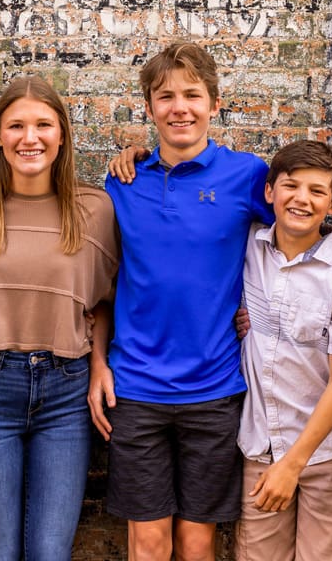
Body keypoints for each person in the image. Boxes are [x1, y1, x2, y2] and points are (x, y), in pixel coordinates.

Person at [92, 41, 274, 561]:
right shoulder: (122, 182)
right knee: (148, 541)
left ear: (215, 105)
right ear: (148, 108)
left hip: (215, 390)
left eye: (193, 95)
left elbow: (297, 250)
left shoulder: (248, 176)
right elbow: (104, 285)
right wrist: (98, 364)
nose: (180, 107)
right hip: (138, 390)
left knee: (196, 543)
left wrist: (259, 315)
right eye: (165, 96)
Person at [0, 76, 119, 561]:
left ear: (62, 134)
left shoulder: (95, 209)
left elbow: (103, 299)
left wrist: (100, 364)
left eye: (43, 125)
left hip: (66, 389)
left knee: (49, 552)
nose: (30, 137)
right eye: (16, 126)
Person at [235, 140, 332, 561]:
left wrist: (293, 465)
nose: (302, 199)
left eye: (317, 191)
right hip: (261, 449)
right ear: (270, 191)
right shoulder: (249, 250)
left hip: (324, 457)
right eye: (292, 186)